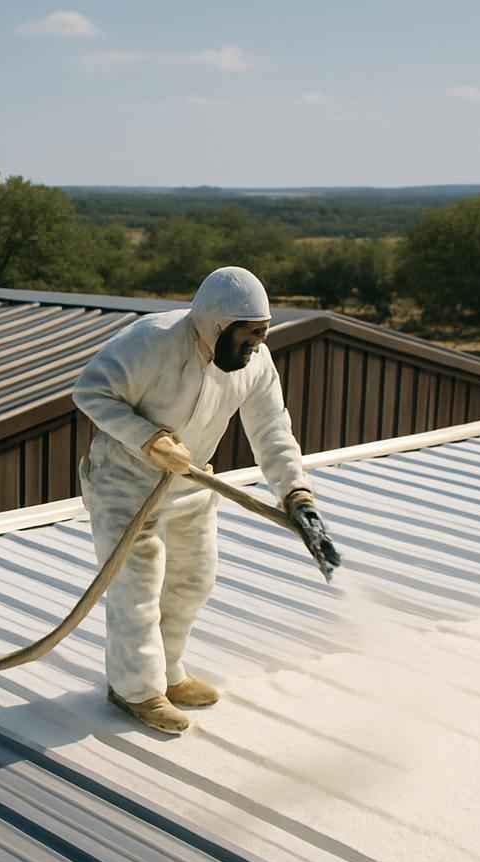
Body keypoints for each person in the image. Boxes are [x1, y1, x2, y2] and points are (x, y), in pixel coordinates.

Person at [72, 266, 337, 735]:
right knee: (137, 588)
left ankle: (168, 674)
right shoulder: (151, 341)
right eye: (248, 334)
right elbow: (90, 391)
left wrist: (296, 492)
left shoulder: (255, 363)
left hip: (191, 483)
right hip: (126, 480)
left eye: (262, 333)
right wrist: (148, 439)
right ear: (217, 325)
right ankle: (135, 689)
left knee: (193, 578)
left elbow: (272, 430)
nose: (256, 344)